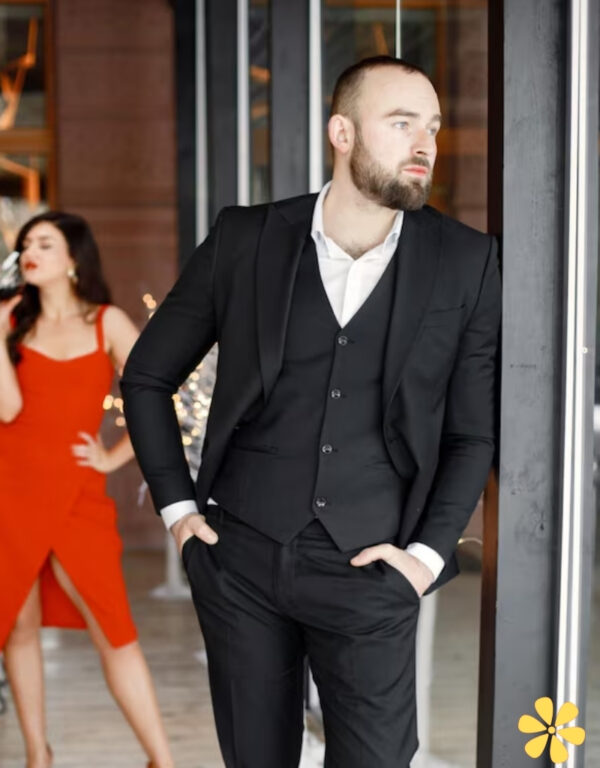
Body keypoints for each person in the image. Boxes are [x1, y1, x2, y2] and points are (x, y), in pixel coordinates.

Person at [120, 56, 501, 768]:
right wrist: (179, 516)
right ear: (342, 132)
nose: (426, 144)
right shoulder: (246, 239)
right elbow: (146, 376)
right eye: (401, 123)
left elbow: (472, 430)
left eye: (434, 127)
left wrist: (422, 560)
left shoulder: (466, 261)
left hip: (371, 569)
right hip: (239, 560)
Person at [0, 211, 174, 768]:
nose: (30, 251)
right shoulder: (18, 325)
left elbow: (161, 398)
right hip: (6, 491)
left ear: (74, 258)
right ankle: (39, 756)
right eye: (25, 244)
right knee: (20, 626)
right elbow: (5, 409)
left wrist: (112, 456)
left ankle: (162, 760)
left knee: (114, 627)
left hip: (78, 494)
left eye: (44, 243)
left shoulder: (108, 322)